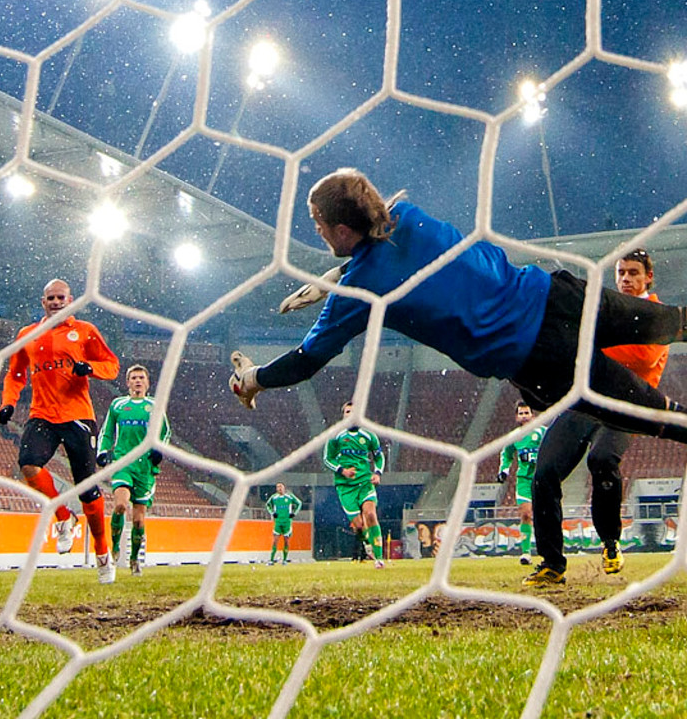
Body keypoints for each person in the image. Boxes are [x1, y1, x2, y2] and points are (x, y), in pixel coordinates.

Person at [229, 167, 687, 444]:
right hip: (556, 296)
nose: (318, 232)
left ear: (342, 230)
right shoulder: (406, 215)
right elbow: (387, 242)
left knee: (658, 416)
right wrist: (336, 277)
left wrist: (254, 379)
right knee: (674, 323)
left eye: (319, 223)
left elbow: (306, 362)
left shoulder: (362, 291)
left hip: (538, 357)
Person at [524, 249, 670, 586]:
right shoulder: (608, 310)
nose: (626, 279)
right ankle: (551, 563)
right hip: (588, 400)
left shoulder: (658, 314)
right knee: (544, 472)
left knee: (602, 459)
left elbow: (643, 358)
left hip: (628, 406)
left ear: (648, 277)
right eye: (621, 273)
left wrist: (590, 345)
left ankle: (610, 540)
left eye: (633, 273)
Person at [0, 278, 120, 584]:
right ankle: (64, 517)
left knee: (87, 489)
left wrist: (89, 368)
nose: (55, 302)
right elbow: (15, 374)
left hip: (78, 415)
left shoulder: (86, 331)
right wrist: (8, 403)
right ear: (43, 302)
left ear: (71, 301)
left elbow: (111, 364)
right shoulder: (27, 335)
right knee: (28, 464)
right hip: (42, 415)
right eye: (50, 298)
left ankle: (102, 552)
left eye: (60, 297)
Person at [97, 364, 171, 577]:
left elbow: (165, 433)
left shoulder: (154, 406)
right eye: (134, 378)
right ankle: (114, 549)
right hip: (123, 462)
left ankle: (134, 558)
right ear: (128, 382)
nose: (138, 381)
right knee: (120, 505)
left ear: (147, 383)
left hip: (145, 467)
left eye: (141, 378)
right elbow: (107, 431)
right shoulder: (118, 405)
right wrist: (102, 451)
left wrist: (159, 450)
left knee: (138, 519)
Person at [323, 401, 386, 569]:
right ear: (343, 415)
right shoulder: (336, 436)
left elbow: (379, 456)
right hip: (345, 486)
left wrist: (378, 473)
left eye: (354, 412)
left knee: (370, 514)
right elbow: (327, 459)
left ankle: (379, 559)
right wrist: (342, 470)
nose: (350, 415)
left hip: (365, 482)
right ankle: (368, 542)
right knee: (358, 525)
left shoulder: (369, 436)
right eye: (347, 412)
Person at [497, 401, 546, 565]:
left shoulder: (543, 433)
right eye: (521, 414)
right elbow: (507, 454)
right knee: (526, 514)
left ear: (533, 415)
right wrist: (504, 470)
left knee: (544, 516)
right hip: (524, 480)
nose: (524, 416)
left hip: (541, 479)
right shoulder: (514, 437)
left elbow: (552, 451)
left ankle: (548, 551)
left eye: (527, 413)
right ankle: (526, 553)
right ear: (517, 417)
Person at [264, 482, 302, 565]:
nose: (279, 488)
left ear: (284, 488)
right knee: (275, 541)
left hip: (287, 522)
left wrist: (294, 513)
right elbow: (267, 505)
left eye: (281, 487)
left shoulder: (289, 496)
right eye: (278, 487)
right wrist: (272, 512)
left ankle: (284, 560)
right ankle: (271, 560)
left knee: (286, 541)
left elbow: (299, 503)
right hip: (278, 522)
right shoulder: (274, 497)